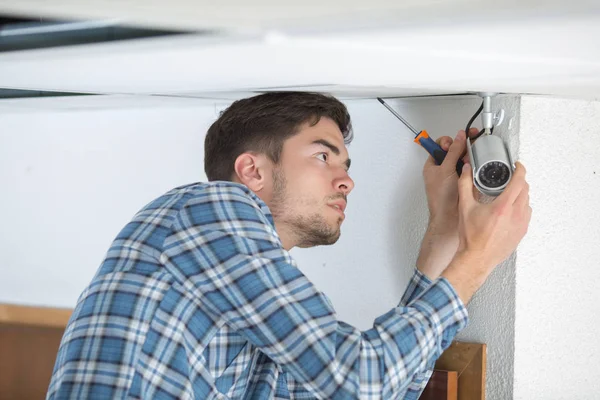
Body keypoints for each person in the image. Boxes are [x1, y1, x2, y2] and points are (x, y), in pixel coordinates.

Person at [47, 92, 531, 400]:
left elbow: (378, 389)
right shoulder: (209, 207)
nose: (347, 182)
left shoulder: (242, 308)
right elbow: (360, 383)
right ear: (252, 171)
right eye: (324, 155)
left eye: (345, 164)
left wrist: (443, 233)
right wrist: (478, 259)